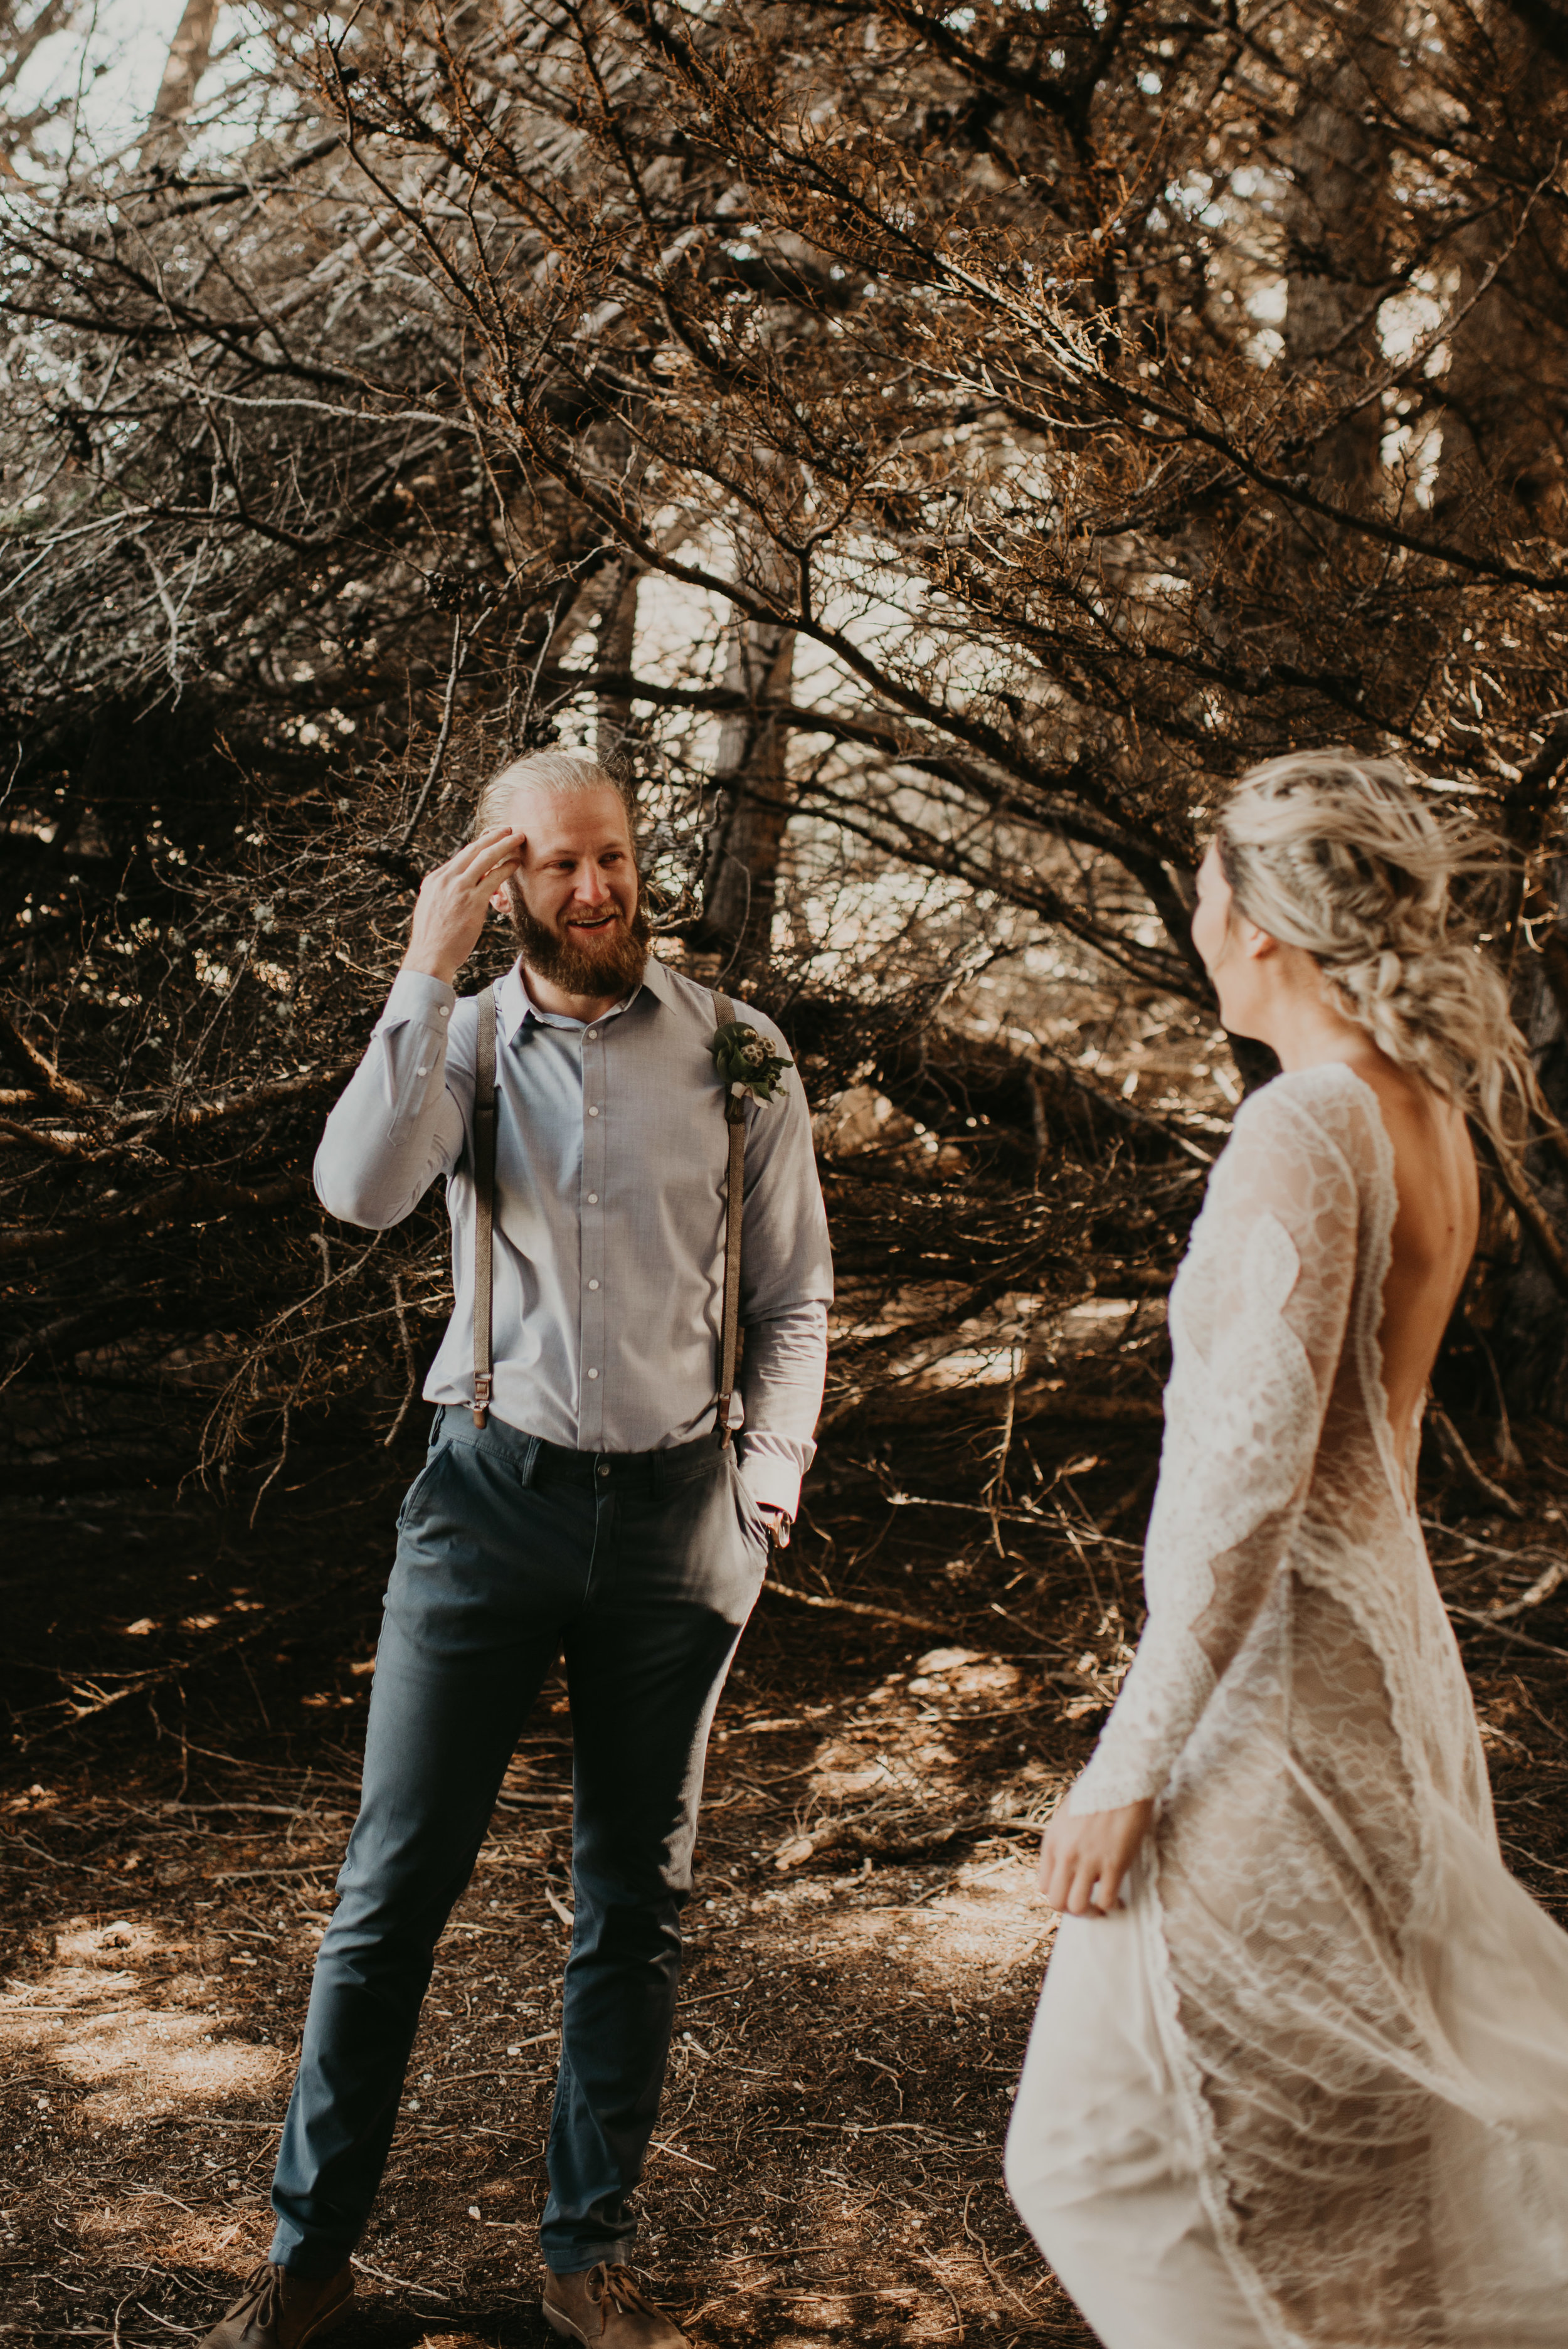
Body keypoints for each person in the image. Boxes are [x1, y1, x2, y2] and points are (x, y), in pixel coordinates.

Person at [199, 751, 832, 2349]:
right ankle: (308, 2261)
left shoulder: (740, 1054)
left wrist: (762, 1485)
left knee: (637, 1899)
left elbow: (791, 1297)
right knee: (387, 1893)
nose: (595, 889)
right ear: (505, 883)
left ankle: (582, 2258)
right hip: (487, 1503)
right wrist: (423, 966)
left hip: (677, 1522)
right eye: (554, 867)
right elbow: (357, 1191)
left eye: (610, 857)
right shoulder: (465, 1042)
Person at [1005, 751, 1568, 2349]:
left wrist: (1124, 1765)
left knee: (1098, 2155)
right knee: (1370, 2160)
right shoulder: (1425, 1113)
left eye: (1202, 886)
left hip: (1283, 1698)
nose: (1189, 915)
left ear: (1259, 921)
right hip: (1381, 1662)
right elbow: (1368, 1448)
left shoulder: (1307, 1127)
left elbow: (1243, 1491)